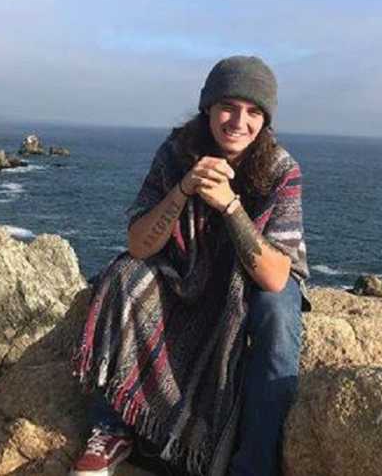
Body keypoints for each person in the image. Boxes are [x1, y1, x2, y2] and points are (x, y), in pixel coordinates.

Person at [72, 55, 309, 476]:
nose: (239, 121)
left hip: (254, 281)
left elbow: (275, 276)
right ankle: (112, 426)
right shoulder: (177, 152)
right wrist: (184, 189)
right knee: (124, 274)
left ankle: (254, 462)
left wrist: (231, 206)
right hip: (185, 272)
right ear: (208, 108)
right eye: (228, 107)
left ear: (266, 121)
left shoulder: (280, 170)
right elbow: (139, 244)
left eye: (254, 112)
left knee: (277, 314)